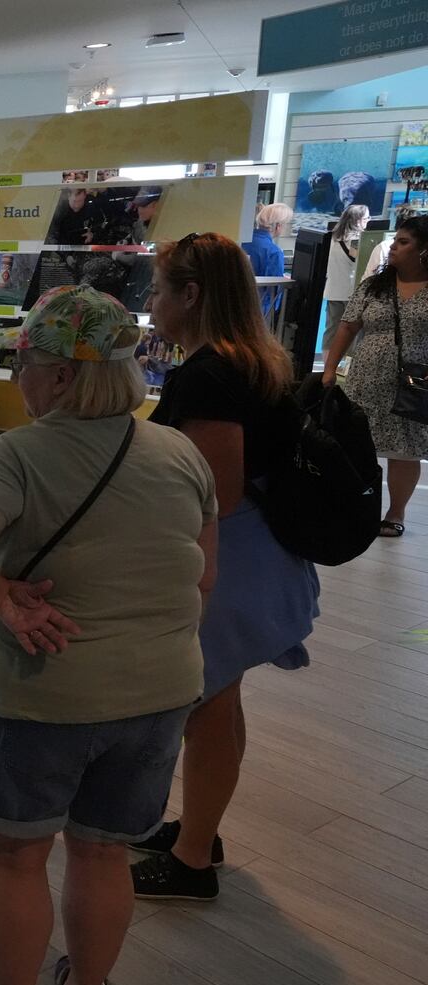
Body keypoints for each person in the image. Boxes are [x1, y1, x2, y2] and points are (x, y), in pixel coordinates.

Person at [0, 285, 218, 985]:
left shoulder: (24, 451)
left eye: (26, 360)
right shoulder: (179, 451)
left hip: (40, 694)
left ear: (55, 375)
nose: (21, 373)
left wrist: (7, 604)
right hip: (160, 693)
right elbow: (202, 580)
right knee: (103, 850)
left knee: (18, 856)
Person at [129, 232, 320, 901]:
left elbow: (216, 490)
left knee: (204, 705)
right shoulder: (251, 360)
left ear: (191, 294)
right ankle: (198, 833)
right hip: (254, 551)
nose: (151, 303)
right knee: (218, 700)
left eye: (158, 289)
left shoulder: (208, 373)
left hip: (228, 558)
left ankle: (190, 860)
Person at [323, 214, 428, 538]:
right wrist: (329, 370)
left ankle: (395, 513)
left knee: (406, 449)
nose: (393, 246)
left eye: (403, 241)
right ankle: (353, 506)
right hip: (367, 378)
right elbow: (347, 326)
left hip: (415, 382)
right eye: (396, 240)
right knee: (356, 444)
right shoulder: (374, 286)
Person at [320, 205, 371, 361]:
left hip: (333, 290)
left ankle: (326, 363)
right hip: (350, 293)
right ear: (358, 220)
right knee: (350, 331)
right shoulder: (356, 240)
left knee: (331, 329)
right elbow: (357, 261)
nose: (368, 222)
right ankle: (344, 366)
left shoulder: (333, 238)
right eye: (366, 218)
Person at [243, 203, 293, 319]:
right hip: (259, 310)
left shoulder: (243, 242)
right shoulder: (274, 252)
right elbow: (274, 288)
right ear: (278, 226)